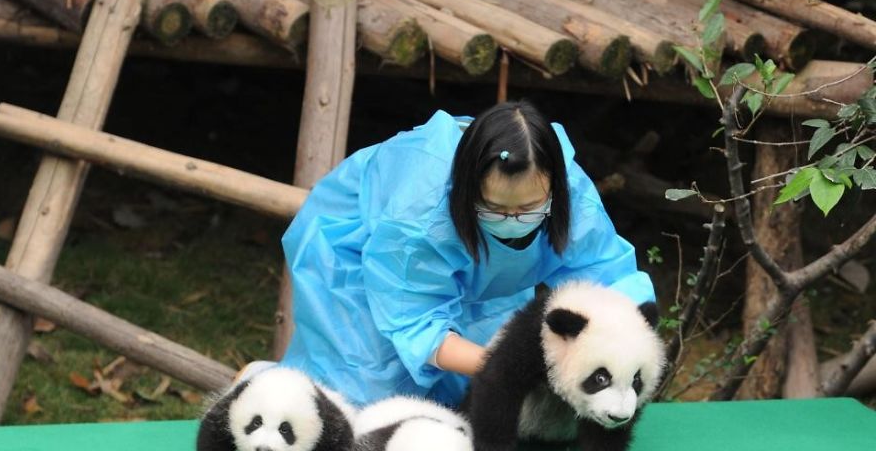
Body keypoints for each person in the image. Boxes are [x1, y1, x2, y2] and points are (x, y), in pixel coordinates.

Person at [275, 100, 655, 407]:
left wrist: (624, 349)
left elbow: (605, 274)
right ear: (467, 189)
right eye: (496, 208)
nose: (513, 219)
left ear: (553, 187)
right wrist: (513, 369)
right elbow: (416, 321)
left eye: (529, 208)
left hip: (472, 270)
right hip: (359, 256)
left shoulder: (570, 191)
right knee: (362, 403)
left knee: (464, 395)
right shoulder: (420, 217)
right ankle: (262, 383)